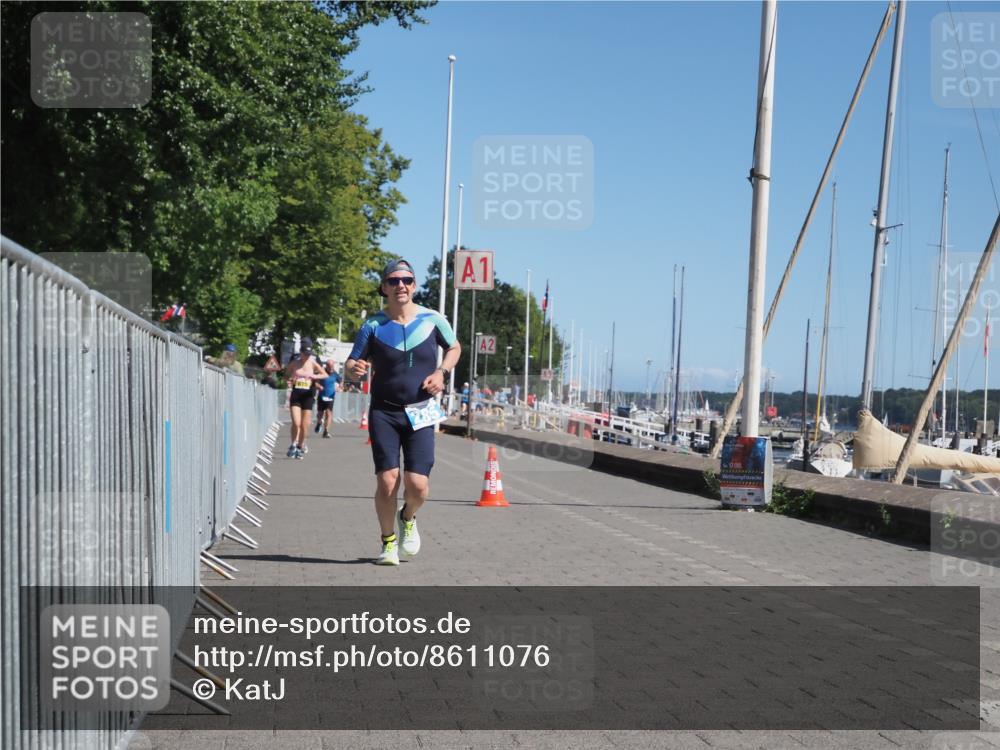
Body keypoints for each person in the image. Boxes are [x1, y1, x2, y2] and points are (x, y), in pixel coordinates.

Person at [345, 259, 461, 566]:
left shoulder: (433, 319)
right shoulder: (372, 326)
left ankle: (407, 517)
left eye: (407, 280)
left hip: (421, 410)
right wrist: (353, 370)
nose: (401, 285)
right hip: (384, 411)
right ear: (383, 287)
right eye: (394, 281)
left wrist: (441, 373)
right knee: (387, 481)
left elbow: (455, 348)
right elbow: (351, 365)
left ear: (414, 285)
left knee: (418, 485)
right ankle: (388, 543)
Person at [284, 338, 327, 459]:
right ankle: (293, 444)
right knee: (296, 423)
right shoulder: (294, 362)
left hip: (308, 395)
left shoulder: (313, 362)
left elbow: (325, 374)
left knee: (304, 425)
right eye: (305, 354)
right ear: (301, 352)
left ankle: (301, 446)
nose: (307, 356)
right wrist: (290, 379)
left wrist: (313, 376)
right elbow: (286, 375)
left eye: (309, 354)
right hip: (296, 395)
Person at [314, 359, 341, 438]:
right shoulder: (322, 372)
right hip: (322, 396)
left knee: (329, 414)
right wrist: (319, 386)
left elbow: (341, 382)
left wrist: (339, 387)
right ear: (326, 366)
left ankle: (326, 431)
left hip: (330, 396)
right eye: (330, 366)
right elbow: (315, 382)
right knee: (320, 414)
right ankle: (319, 422)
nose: (331, 368)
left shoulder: (335, 374)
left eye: (332, 366)